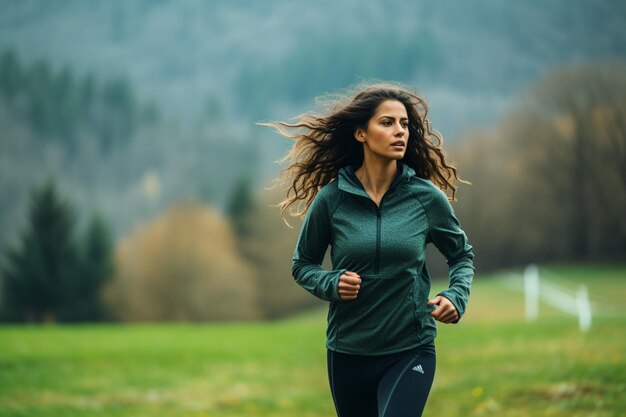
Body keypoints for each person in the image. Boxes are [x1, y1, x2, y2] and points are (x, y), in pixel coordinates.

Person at [263, 82, 474, 417]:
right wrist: (331, 283)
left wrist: (456, 296)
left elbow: (461, 255)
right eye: (387, 123)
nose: (400, 131)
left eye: (404, 124)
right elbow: (302, 264)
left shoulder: (425, 198)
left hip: (411, 348)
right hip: (348, 352)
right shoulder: (332, 200)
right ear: (361, 133)